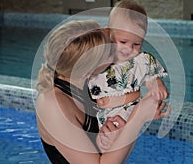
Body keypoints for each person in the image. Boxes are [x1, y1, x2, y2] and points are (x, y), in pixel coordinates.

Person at [35, 19, 170, 164]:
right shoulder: (52, 104)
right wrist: (137, 118)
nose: (116, 50)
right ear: (88, 69)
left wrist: (121, 132)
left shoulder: (90, 86)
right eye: (108, 51)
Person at [88, 0, 168, 131]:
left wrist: (157, 84)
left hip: (132, 115)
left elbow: (151, 76)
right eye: (123, 41)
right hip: (108, 121)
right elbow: (103, 101)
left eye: (136, 44)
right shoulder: (101, 60)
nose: (129, 48)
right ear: (109, 34)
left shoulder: (141, 60)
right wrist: (136, 95)